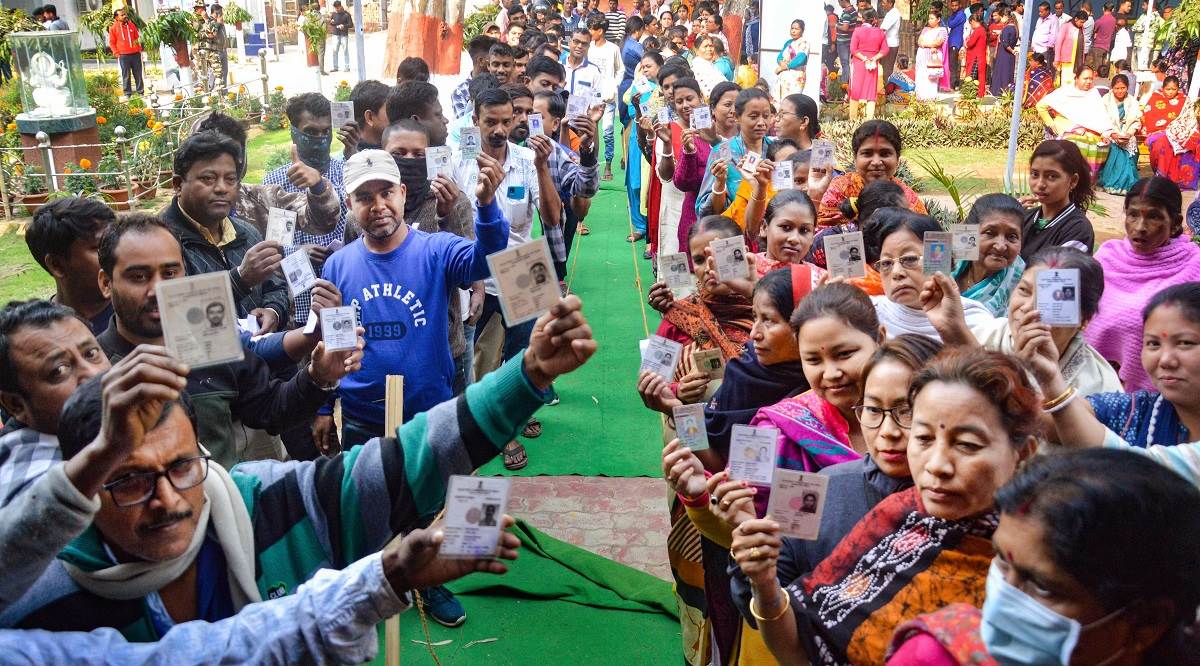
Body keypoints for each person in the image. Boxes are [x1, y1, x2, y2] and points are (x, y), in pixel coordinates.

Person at [1, 294, 593, 637]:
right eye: (127, 480)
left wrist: (528, 375)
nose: (169, 500)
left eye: (183, 465)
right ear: (82, 490)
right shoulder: (33, 595)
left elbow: (397, 460)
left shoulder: (262, 502)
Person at [740, 349, 1039, 665]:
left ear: (1024, 452)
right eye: (923, 438)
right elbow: (800, 647)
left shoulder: (1034, 567)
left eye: (966, 444)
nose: (936, 465)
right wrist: (765, 583)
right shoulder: (895, 513)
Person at [723, 335, 941, 646]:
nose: (888, 432)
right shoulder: (815, 488)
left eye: (906, 411)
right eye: (873, 410)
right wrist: (753, 554)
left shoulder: (964, 504)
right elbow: (756, 603)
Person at [886, 449, 1200, 665]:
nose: (1002, 598)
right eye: (1002, 561)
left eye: (1042, 586)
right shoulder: (936, 656)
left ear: (1146, 622)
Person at [95, 214, 355, 467]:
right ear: (106, 283)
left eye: (170, 273)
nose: (156, 290)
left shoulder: (210, 338)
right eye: (138, 277)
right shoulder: (94, 369)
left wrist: (318, 377)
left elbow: (270, 407)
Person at [454, 89, 562, 468]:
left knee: (526, 352)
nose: (500, 129)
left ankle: (516, 416)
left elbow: (551, 219)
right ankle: (492, 431)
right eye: (491, 122)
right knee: (481, 357)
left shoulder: (528, 159)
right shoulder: (459, 163)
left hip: (523, 262)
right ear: (475, 122)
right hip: (476, 271)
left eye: (507, 121)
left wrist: (544, 168)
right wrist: (472, 281)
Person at [1031, 282, 1200, 449]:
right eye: (1153, 344)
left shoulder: (1101, 379)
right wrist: (1049, 377)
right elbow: (1059, 418)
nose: (1165, 360)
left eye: (1185, 343)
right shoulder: (1135, 412)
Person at [378, 119, 480, 396]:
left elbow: (467, 273)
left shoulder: (454, 202)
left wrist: (447, 216)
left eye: (419, 154)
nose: (409, 161)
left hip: (443, 347)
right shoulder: (368, 213)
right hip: (386, 349)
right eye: (399, 154)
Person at [749, 282, 880, 482]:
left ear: (880, 339)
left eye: (844, 354)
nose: (830, 374)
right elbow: (737, 501)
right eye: (813, 360)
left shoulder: (918, 411)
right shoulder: (777, 431)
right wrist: (700, 501)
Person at [162, 131, 290, 334]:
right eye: (208, 178)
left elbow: (276, 287)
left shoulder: (247, 232)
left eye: (230, 179)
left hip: (260, 362)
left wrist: (273, 311)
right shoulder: (162, 243)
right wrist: (240, 280)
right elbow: (175, 316)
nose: (222, 188)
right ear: (178, 185)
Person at [1085, 178, 1200, 392]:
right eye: (1133, 215)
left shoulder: (1193, 267)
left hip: (1162, 395)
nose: (1140, 227)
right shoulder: (1108, 257)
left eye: (1154, 217)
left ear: (1175, 223)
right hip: (1092, 383)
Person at [262, 93, 351, 324]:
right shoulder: (279, 181)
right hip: (301, 298)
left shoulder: (346, 173)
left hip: (345, 292)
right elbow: (275, 244)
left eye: (326, 132)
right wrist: (300, 252)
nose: (320, 138)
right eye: (311, 132)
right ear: (293, 132)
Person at [868, 207, 994, 339]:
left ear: (939, 260)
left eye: (910, 259)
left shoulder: (975, 321)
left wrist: (957, 330)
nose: (897, 273)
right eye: (886, 263)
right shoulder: (868, 314)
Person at [24, 197, 116, 334]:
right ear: (57, 265)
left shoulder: (142, 316)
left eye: (116, 243)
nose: (117, 254)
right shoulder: (37, 337)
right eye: (101, 247)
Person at [818, 120, 926, 228]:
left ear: (897, 159)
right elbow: (818, 232)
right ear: (855, 158)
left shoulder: (907, 199)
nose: (876, 162)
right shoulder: (840, 190)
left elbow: (922, 237)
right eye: (867, 153)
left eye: (885, 154)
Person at [697, 89, 776, 222]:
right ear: (736, 116)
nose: (761, 122)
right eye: (753, 116)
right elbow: (705, 211)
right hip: (735, 231)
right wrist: (720, 185)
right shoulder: (722, 152)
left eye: (766, 115)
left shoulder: (777, 150)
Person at [1018, 139, 1096, 261]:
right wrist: (1004, 218)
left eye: (1051, 176)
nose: (1040, 184)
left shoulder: (1078, 230)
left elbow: (1053, 277)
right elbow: (976, 254)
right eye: (1035, 174)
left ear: (1073, 181)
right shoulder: (1024, 217)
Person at [951, 193, 1025, 316]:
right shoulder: (945, 261)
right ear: (970, 234)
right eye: (990, 233)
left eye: (1011, 236)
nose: (1001, 246)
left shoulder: (1024, 284)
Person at [1035, 66, 1112, 180]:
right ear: (1076, 78)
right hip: (1068, 130)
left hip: (1091, 132)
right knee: (1075, 145)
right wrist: (1052, 124)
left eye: (1091, 78)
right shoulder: (1065, 92)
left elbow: (1101, 117)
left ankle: (1086, 180)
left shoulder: (1093, 93)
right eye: (1085, 78)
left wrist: (1106, 132)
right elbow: (1041, 106)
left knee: (1100, 146)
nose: (1089, 81)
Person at [587, 16, 623, 180]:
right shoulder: (588, 47)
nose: (589, 32)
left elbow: (620, 70)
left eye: (591, 29)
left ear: (600, 31)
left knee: (608, 131)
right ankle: (590, 165)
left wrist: (613, 85)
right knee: (588, 131)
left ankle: (608, 165)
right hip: (590, 96)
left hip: (607, 97)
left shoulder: (613, 48)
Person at [1098, 73, 1143, 195]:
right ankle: (1115, 183)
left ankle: (1126, 183)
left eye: (1123, 88)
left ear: (1128, 87)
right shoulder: (1105, 100)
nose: (1120, 91)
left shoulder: (1132, 101)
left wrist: (1129, 134)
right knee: (1115, 148)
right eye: (1117, 88)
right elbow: (1101, 120)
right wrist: (1113, 134)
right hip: (1110, 132)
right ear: (1112, 88)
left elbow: (1136, 121)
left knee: (1129, 149)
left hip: (1127, 133)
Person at [1147, 98, 1200, 191]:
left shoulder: (1183, 98)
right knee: (1163, 146)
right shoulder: (1192, 105)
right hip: (1176, 133)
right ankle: (1164, 179)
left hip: (1189, 134)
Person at [849, 9, 888, 121]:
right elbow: (885, 49)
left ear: (862, 19)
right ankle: (869, 119)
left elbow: (853, 49)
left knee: (855, 91)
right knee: (871, 92)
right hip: (873, 64)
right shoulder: (880, 32)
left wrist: (864, 58)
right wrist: (874, 58)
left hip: (859, 63)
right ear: (874, 19)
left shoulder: (857, 31)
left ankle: (853, 119)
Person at [452, 36, 498, 120]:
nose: (499, 67)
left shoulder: (500, 83)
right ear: (481, 61)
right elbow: (465, 126)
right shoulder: (461, 92)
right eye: (494, 61)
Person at [108, 7, 142, 98]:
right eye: (122, 15)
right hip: (123, 55)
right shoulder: (113, 28)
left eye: (125, 14)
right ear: (116, 18)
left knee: (138, 73)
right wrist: (116, 53)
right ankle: (127, 94)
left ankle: (141, 92)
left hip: (135, 54)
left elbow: (137, 38)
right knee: (126, 75)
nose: (125, 16)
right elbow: (112, 42)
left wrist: (139, 50)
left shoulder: (132, 25)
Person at [914, 9, 948, 101]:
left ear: (938, 19)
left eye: (932, 18)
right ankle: (920, 98)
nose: (930, 20)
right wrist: (928, 44)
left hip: (933, 57)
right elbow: (919, 41)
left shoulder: (942, 30)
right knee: (921, 76)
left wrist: (925, 44)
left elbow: (938, 43)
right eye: (929, 18)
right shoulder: (925, 29)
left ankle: (930, 99)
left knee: (931, 77)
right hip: (922, 56)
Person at [774, 20, 809, 101]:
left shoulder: (804, 43)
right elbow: (780, 56)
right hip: (784, 75)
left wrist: (784, 67)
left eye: (796, 29)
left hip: (796, 76)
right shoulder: (788, 42)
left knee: (792, 101)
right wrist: (781, 63)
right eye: (792, 28)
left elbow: (801, 59)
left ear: (802, 30)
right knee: (780, 100)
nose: (793, 31)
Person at [990, 7, 1017, 95]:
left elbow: (1005, 44)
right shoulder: (1015, 28)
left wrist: (1012, 51)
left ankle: (998, 92)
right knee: (1008, 74)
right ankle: (1008, 93)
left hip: (1004, 54)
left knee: (1001, 74)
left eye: (1001, 18)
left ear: (1005, 16)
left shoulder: (1007, 28)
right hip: (1010, 56)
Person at [1054, 10, 1085, 87]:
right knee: (1066, 82)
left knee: (1074, 83)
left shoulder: (1081, 28)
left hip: (1077, 62)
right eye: (1081, 22)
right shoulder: (1066, 26)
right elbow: (1058, 43)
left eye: (1084, 22)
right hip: (1067, 61)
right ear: (1076, 19)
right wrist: (1057, 59)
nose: (1082, 24)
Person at [962, 14, 987, 96]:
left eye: (970, 23)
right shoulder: (982, 30)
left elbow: (970, 43)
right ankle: (980, 93)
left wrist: (966, 42)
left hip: (976, 57)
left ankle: (971, 93)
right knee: (980, 75)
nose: (971, 25)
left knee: (971, 76)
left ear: (973, 21)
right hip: (980, 56)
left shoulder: (978, 30)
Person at [327, 0, 352, 72]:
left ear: (340, 6)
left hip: (344, 35)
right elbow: (332, 23)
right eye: (335, 8)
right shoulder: (334, 14)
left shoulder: (346, 14)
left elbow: (351, 25)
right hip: (335, 35)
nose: (336, 9)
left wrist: (344, 26)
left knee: (345, 51)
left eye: (337, 8)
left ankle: (347, 67)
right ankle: (335, 67)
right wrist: (331, 22)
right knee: (335, 51)